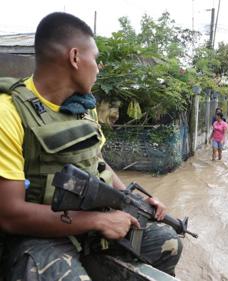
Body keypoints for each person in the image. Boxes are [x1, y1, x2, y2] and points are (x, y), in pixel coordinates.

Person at [0, 12, 182, 280]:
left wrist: (136, 200)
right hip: (39, 234)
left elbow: (98, 163)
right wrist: (99, 221)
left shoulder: (83, 109)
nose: (98, 68)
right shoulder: (9, 113)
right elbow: (10, 215)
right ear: (74, 57)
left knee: (169, 242)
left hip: (89, 223)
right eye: (95, 59)